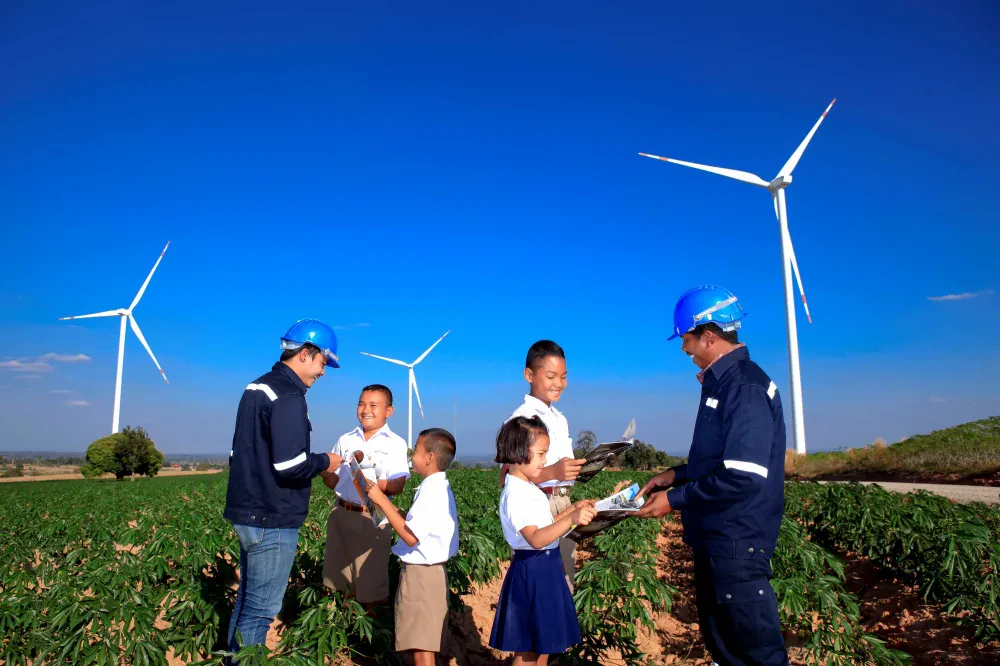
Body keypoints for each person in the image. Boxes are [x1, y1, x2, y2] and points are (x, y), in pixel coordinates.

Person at [636, 285, 790, 666]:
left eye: (686, 340)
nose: (684, 349)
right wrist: (676, 475)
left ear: (708, 336)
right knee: (727, 651)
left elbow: (742, 476)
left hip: (737, 545)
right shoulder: (723, 382)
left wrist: (673, 500)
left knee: (755, 656)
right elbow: (721, 462)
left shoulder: (745, 386)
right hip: (719, 544)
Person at [223, 319, 343, 657]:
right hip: (271, 519)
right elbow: (290, 466)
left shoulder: (257, 388)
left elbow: (238, 455)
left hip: (247, 512)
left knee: (246, 602)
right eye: (323, 362)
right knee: (260, 612)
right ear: (306, 353)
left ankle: (233, 660)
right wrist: (325, 461)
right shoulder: (289, 396)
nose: (323, 372)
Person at [490, 415, 597, 666]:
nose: (545, 461)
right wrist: (571, 520)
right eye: (541, 454)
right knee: (528, 650)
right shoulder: (515, 493)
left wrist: (572, 511)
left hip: (545, 568)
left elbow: (545, 527)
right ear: (518, 452)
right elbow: (536, 539)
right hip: (532, 571)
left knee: (543, 643)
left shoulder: (528, 488)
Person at [366, 428, 459, 666]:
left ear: (429, 457)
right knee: (422, 644)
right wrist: (391, 509)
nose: (412, 456)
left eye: (416, 451)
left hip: (422, 575)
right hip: (428, 573)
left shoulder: (432, 491)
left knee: (421, 647)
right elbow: (415, 525)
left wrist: (381, 499)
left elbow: (411, 537)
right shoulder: (436, 487)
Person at [502, 340, 587, 590]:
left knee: (564, 580)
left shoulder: (560, 419)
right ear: (529, 375)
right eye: (550, 376)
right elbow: (508, 474)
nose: (559, 383)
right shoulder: (521, 419)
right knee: (541, 583)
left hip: (562, 501)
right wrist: (553, 472)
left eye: (563, 376)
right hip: (539, 502)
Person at [322, 384, 410, 607]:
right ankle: (339, 632)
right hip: (341, 511)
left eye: (373, 405)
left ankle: (369, 636)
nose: (365, 410)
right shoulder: (345, 439)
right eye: (361, 404)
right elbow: (333, 482)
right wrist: (324, 471)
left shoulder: (396, 443)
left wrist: (363, 475)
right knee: (335, 581)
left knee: (370, 585)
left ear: (389, 411)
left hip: (372, 515)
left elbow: (397, 485)